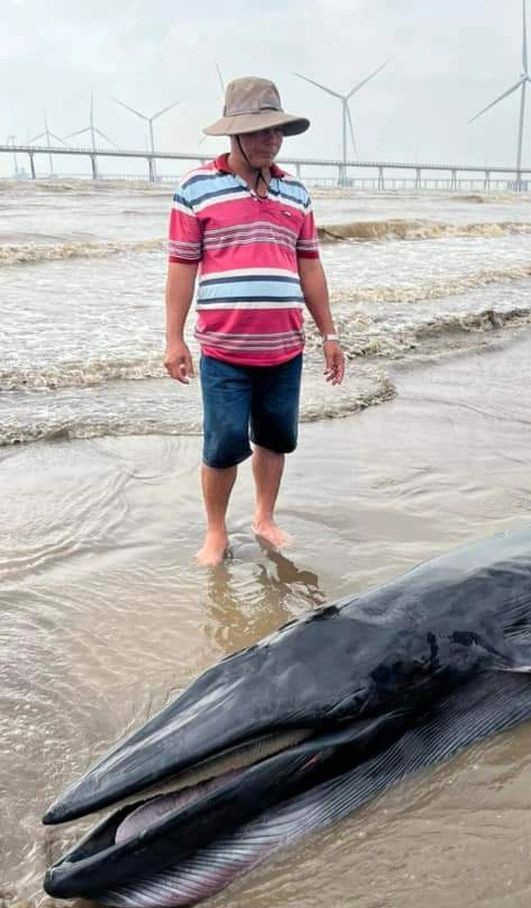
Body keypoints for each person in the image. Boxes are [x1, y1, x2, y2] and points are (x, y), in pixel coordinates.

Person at [164, 77, 345, 565]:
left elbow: (310, 266)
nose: (273, 140)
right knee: (222, 444)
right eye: (263, 131)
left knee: (275, 437)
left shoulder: (296, 192)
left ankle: (264, 518)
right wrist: (174, 338)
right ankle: (216, 532)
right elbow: (182, 266)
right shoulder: (195, 188)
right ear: (235, 135)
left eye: (278, 131)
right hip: (224, 349)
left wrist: (329, 334)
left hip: (285, 347)